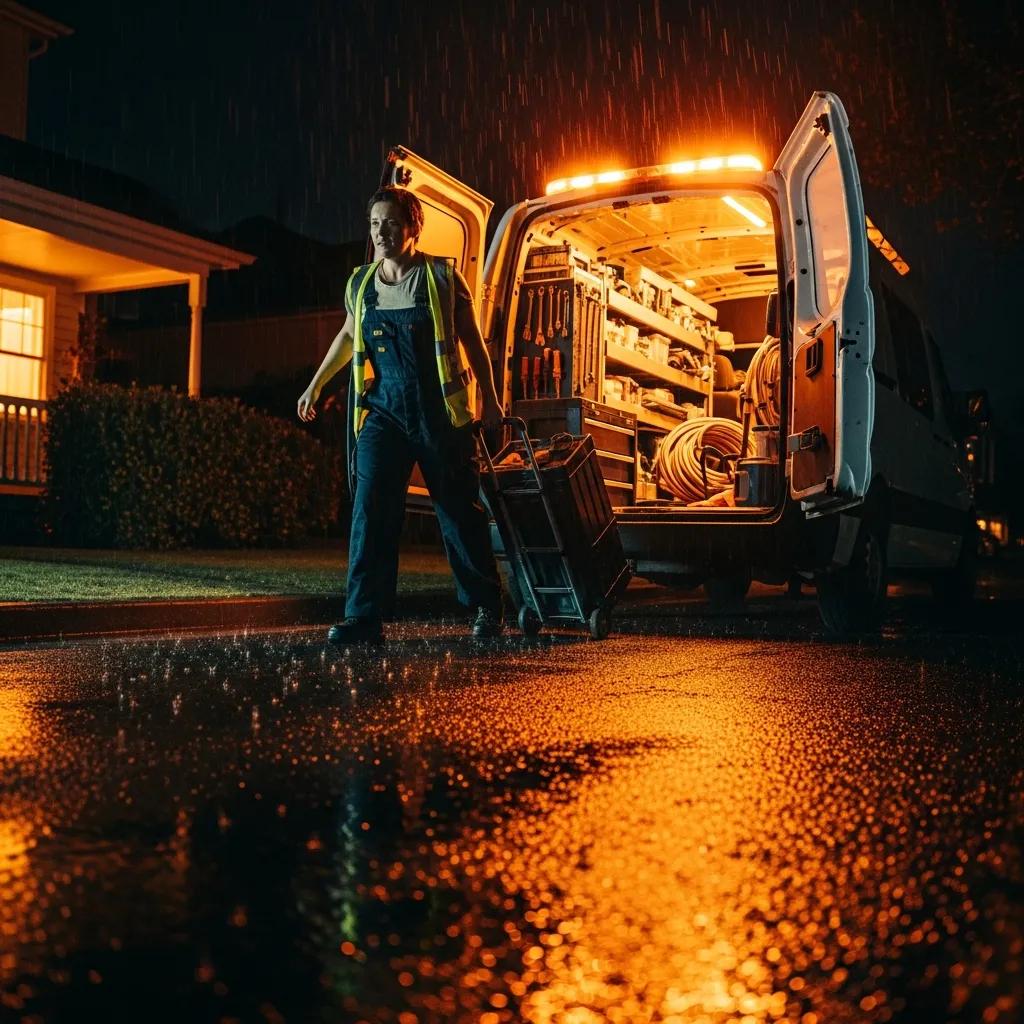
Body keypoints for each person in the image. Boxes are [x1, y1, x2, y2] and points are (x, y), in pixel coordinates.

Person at [298, 186, 504, 645]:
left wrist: (490, 398)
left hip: (438, 414)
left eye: (390, 223)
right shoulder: (360, 283)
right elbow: (349, 337)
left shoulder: (443, 278)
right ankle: (363, 618)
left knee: (457, 512)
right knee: (370, 509)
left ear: (413, 228)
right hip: (383, 413)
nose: (381, 232)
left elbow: (473, 343)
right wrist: (315, 385)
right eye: (375, 224)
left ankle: (487, 607)